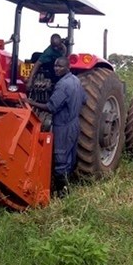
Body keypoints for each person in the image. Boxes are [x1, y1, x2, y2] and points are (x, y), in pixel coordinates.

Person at [28, 56, 87, 198]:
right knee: (69, 158)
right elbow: (85, 100)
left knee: (60, 160)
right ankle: (67, 188)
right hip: (74, 123)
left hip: (63, 126)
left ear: (68, 67)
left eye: (60, 66)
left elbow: (51, 107)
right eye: (55, 66)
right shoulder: (76, 81)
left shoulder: (63, 85)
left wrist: (29, 102)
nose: (56, 68)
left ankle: (63, 194)